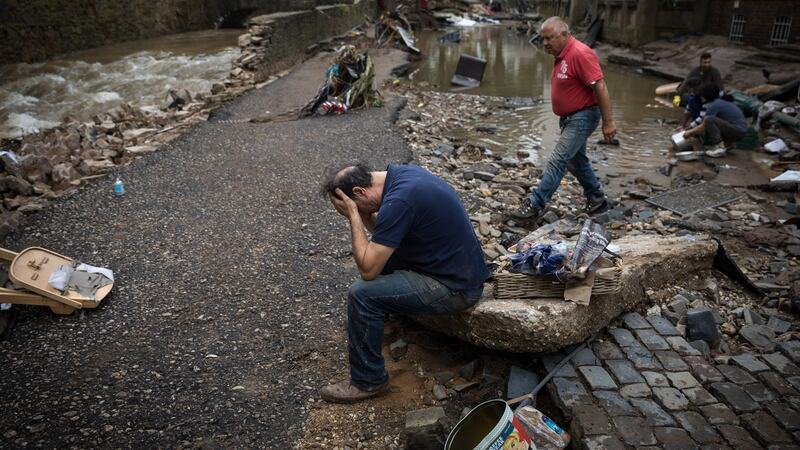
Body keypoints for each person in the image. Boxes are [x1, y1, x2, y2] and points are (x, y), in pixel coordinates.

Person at [319, 163, 489, 403]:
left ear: (359, 192)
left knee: (362, 294)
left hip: (455, 287)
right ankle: (382, 320)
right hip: (453, 267)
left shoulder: (399, 201)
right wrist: (363, 212)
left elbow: (367, 270)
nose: (353, 210)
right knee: (382, 254)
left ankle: (368, 381)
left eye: (354, 205)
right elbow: (385, 234)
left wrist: (355, 217)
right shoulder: (402, 176)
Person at [511, 16, 616, 222]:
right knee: (576, 162)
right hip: (569, 117)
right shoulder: (561, 53)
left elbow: (600, 86)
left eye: (549, 38)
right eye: (543, 39)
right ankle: (597, 199)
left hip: (583, 116)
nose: (545, 43)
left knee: (558, 159)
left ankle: (535, 204)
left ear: (565, 35)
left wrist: (608, 121)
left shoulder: (581, 53)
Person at [683, 83, 747, 150]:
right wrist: (689, 128)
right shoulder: (721, 101)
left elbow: (703, 125)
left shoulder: (714, 105)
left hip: (737, 131)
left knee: (709, 120)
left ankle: (718, 146)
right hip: (740, 131)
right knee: (713, 121)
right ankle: (728, 145)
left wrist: (690, 132)